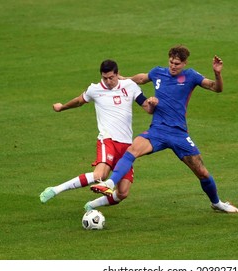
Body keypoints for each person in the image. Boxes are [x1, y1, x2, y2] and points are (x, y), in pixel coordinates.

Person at [90, 45, 238, 213]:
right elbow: (142, 78)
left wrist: (217, 73)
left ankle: (217, 202)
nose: (173, 66)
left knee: (202, 172)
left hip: (178, 134)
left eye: (177, 63)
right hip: (157, 130)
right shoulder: (158, 72)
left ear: (184, 63)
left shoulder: (191, 76)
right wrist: (124, 79)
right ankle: (109, 184)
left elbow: (216, 88)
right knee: (132, 150)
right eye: (171, 62)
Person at [39, 59, 158, 211]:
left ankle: (91, 205)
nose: (108, 81)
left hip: (127, 147)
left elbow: (147, 108)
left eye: (111, 78)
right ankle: (55, 189)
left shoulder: (130, 86)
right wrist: (62, 107)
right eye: (104, 78)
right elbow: (79, 101)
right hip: (107, 140)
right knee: (99, 175)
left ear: (117, 74)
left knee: (122, 193)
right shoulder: (94, 89)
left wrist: (153, 104)